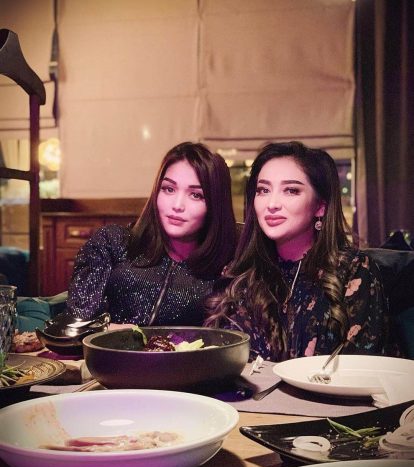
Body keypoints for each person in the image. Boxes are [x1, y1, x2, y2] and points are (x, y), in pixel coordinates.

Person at [205, 141, 388, 361]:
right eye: (263, 190)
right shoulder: (242, 274)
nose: (272, 204)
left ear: (320, 206)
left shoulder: (353, 270)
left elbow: (364, 366)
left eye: (291, 190)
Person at [66, 142, 237, 326]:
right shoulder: (112, 241)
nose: (177, 205)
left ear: (215, 205)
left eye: (196, 195)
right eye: (169, 189)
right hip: (103, 345)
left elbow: (226, 336)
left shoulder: (226, 269)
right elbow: (79, 321)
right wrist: (117, 332)